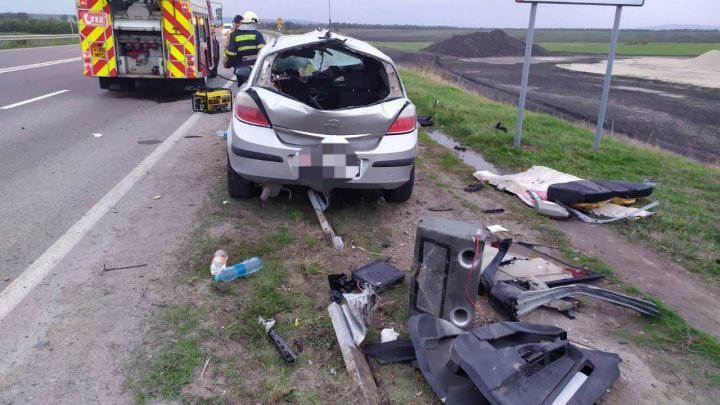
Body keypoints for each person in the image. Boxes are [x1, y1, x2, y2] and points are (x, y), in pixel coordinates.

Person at [223, 11, 265, 87]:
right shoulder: (257, 34)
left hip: (241, 68)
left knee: (242, 87)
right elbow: (263, 51)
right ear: (251, 23)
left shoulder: (235, 35)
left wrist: (235, 64)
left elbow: (230, 53)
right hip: (256, 68)